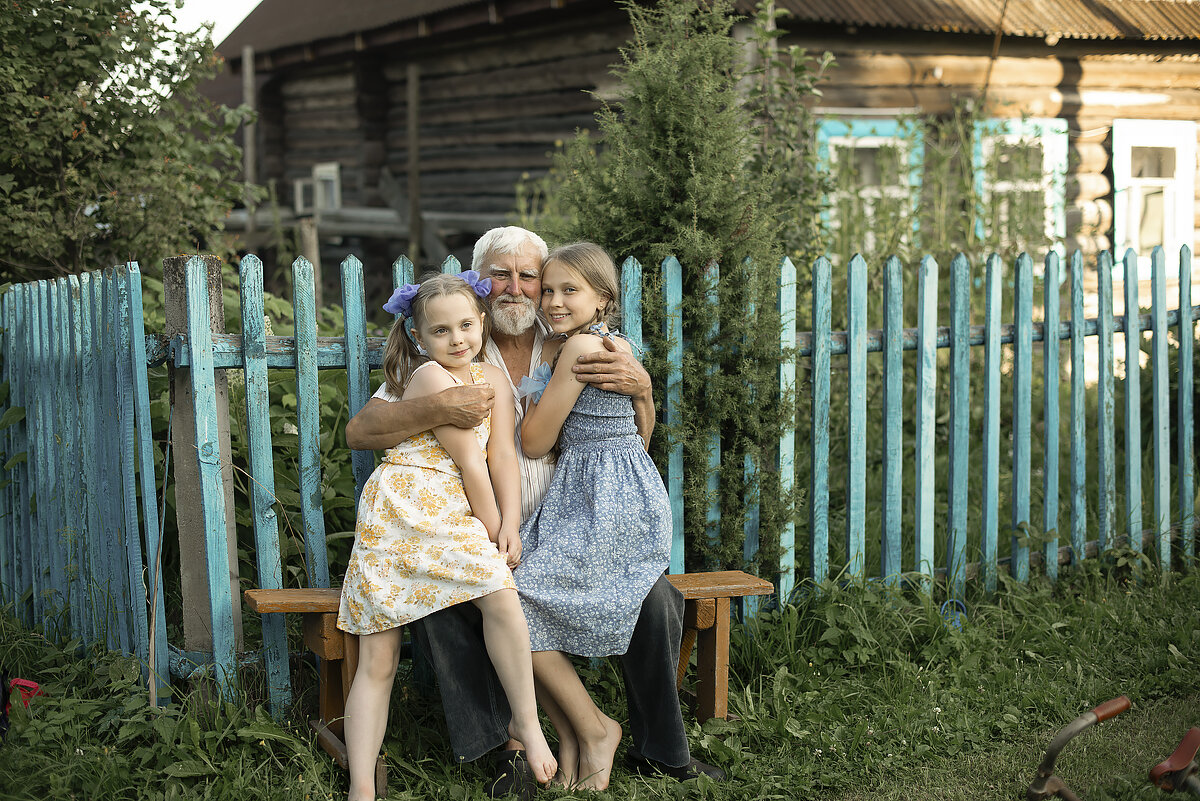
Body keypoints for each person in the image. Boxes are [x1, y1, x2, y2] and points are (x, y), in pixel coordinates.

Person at [343, 226, 725, 796]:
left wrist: (644, 391)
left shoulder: (569, 341)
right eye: (502, 274)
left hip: (572, 523)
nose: (518, 289)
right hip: (478, 528)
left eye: (531, 277)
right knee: (455, 606)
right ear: (480, 283)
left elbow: (630, 440)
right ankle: (506, 751)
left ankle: (660, 748)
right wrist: (441, 403)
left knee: (656, 599)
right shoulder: (457, 343)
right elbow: (361, 429)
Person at [337, 271, 556, 801]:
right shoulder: (432, 379)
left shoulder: (494, 380)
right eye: (440, 331)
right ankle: (361, 786)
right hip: (404, 513)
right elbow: (470, 465)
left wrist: (510, 523)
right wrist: (490, 526)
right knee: (380, 658)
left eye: (464, 325)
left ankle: (526, 724)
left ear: (481, 322)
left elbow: (501, 455)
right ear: (419, 338)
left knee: (501, 598)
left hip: (452, 513)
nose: (456, 339)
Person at [513, 242, 673, 790]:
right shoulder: (610, 342)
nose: (554, 301)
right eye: (549, 289)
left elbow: (534, 443)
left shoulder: (580, 347)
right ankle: (578, 737)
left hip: (601, 505)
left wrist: (525, 402)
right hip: (623, 496)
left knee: (515, 606)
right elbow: (638, 434)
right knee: (521, 597)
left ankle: (597, 729)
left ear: (603, 298)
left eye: (570, 291)